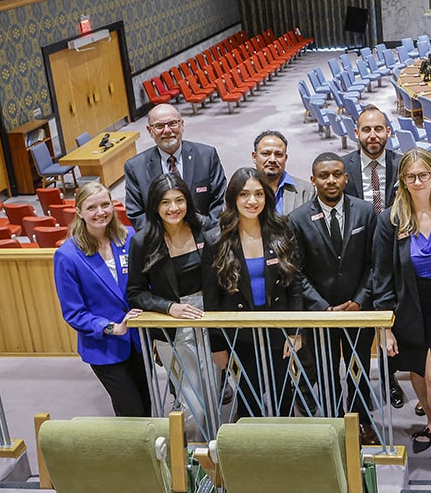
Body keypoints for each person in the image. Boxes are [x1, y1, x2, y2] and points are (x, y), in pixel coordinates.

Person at [289, 152, 380, 444]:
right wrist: (321, 306)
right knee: (325, 370)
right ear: (313, 179)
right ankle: (331, 425)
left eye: (337, 174)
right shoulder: (297, 219)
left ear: (346, 177)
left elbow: (375, 263)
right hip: (321, 313)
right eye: (324, 175)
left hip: (357, 309)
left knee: (359, 368)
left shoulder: (366, 212)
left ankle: (361, 422)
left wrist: (360, 300)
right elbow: (297, 272)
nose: (331, 180)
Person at [372, 148, 431, 468]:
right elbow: (381, 274)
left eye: (424, 175)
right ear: (402, 181)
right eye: (410, 176)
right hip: (409, 304)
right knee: (418, 372)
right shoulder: (391, 219)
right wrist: (386, 324)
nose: (418, 181)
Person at [204, 167, 306, 418]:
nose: (252, 201)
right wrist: (217, 345)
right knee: (249, 400)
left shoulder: (282, 229)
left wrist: (295, 331)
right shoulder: (215, 239)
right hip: (240, 335)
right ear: (233, 198)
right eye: (244, 195)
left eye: (259, 194)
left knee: (284, 395)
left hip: (278, 331)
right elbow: (212, 299)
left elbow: (294, 285)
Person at [127, 173, 224, 425]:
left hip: (208, 320)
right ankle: (193, 458)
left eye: (179, 200)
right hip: (173, 328)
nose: (173, 208)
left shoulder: (205, 231)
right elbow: (135, 292)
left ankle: (214, 453)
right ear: (155, 206)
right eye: (165, 202)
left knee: (213, 393)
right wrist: (169, 307)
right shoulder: (142, 241)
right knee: (192, 402)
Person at [53, 182, 149, 417]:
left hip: (138, 340)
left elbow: (144, 284)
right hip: (104, 346)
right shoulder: (67, 256)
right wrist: (111, 328)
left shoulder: (129, 238)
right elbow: (74, 312)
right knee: (131, 411)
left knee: (147, 405)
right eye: (92, 207)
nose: (100, 212)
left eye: (105, 205)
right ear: (79, 212)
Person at [342, 105, 407, 411]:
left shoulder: (402, 164)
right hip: (356, 260)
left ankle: (390, 379)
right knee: (362, 333)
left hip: (397, 257)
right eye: (366, 130)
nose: (372, 136)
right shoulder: (341, 168)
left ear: (388, 132)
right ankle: (360, 391)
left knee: (394, 326)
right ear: (356, 133)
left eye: (378, 129)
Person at [123, 103, 226, 229]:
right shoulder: (135, 167)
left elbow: (220, 200)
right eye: (159, 126)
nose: (167, 130)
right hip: (160, 241)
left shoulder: (207, 156)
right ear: (150, 131)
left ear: (182, 125)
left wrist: (204, 230)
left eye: (172, 123)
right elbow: (136, 213)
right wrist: (165, 235)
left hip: (203, 234)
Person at [252, 130, 315, 215]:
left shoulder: (306, 191)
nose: (272, 160)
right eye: (266, 154)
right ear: (254, 157)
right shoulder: (241, 191)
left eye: (278, 154)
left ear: (285, 158)